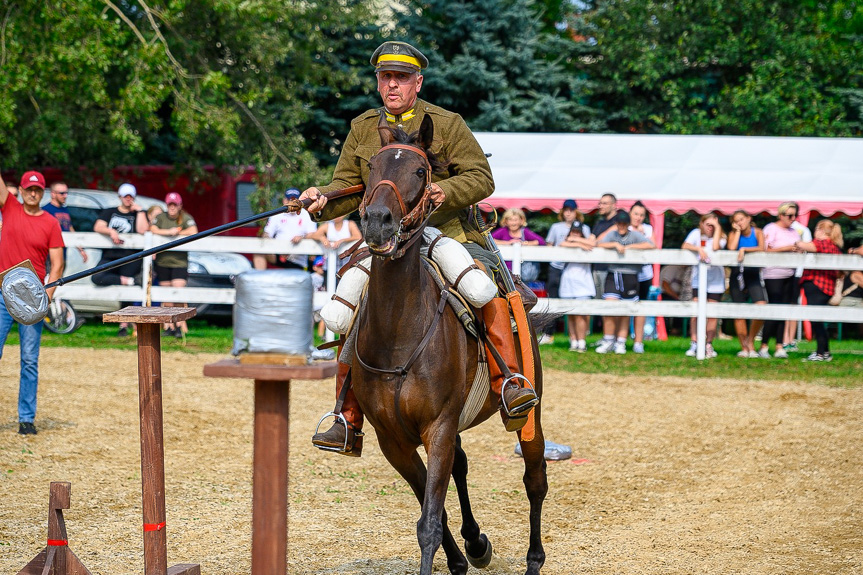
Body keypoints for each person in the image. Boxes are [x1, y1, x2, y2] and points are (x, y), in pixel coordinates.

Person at [301, 40, 538, 456]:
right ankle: (346, 416)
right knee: (349, 301)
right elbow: (347, 187)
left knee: (486, 287)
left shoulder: (447, 123)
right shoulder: (361, 128)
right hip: (387, 239)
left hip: (450, 232)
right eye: (385, 77)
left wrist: (446, 189)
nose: (392, 85)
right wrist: (321, 198)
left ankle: (509, 384)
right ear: (377, 82)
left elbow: (482, 178)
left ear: (417, 82)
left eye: (401, 77)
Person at [0, 171, 65, 435]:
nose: (33, 194)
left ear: (43, 192)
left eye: (37, 190)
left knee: (29, 359)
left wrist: (44, 299)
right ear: (22, 191)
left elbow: (58, 265)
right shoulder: (10, 208)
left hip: (32, 299)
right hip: (3, 295)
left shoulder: (51, 223)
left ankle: (26, 418)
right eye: (29, 189)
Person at [92, 183, 149, 337]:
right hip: (110, 255)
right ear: (120, 197)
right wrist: (110, 231)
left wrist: (141, 211)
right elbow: (97, 226)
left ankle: (123, 325)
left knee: (127, 294)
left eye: (131, 196)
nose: (128, 199)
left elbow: (143, 230)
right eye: (126, 196)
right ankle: (127, 280)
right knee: (97, 277)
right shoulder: (110, 212)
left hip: (130, 256)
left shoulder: (138, 214)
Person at [595, 211, 654, 354]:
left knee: (625, 310)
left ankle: (620, 342)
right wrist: (614, 245)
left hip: (630, 275)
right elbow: (599, 243)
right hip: (613, 273)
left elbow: (651, 245)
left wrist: (629, 248)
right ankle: (609, 339)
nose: (621, 226)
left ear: (628, 225)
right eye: (619, 223)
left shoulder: (634, 235)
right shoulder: (612, 235)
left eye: (624, 224)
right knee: (610, 306)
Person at [150, 192, 198, 338]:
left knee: (178, 293)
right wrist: (168, 232)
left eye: (174, 204)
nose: (172, 207)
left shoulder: (185, 218)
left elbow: (193, 231)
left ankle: (180, 325)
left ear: (179, 206)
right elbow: (152, 229)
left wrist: (177, 232)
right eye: (170, 204)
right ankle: (168, 325)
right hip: (163, 261)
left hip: (179, 262)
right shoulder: (161, 217)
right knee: (166, 295)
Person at [542, 199, 589, 345]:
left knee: (578, 302)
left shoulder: (584, 228)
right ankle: (549, 333)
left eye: (571, 210)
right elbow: (550, 245)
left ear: (576, 211)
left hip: (575, 267)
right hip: (557, 266)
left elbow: (589, 243)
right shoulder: (556, 227)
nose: (568, 213)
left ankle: (580, 336)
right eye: (566, 210)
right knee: (554, 299)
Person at [795, 220, 843, 362]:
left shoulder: (823, 244)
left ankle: (821, 353)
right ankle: (825, 351)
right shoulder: (835, 247)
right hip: (827, 287)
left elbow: (805, 245)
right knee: (818, 320)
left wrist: (797, 242)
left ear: (821, 230)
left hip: (817, 285)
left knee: (816, 320)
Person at [758, 202, 801, 359]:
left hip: (790, 273)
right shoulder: (770, 228)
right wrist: (787, 248)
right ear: (781, 215)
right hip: (773, 274)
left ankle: (779, 345)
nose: (793, 218)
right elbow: (765, 249)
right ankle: (763, 345)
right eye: (789, 215)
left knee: (784, 310)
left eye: (794, 215)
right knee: (774, 309)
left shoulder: (794, 232)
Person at [682, 213, 727, 358]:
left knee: (712, 315)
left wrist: (717, 228)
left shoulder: (722, 237)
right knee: (695, 313)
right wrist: (698, 249)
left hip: (716, 281)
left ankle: (708, 344)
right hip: (698, 280)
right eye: (708, 225)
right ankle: (694, 343)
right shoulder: (695, 234)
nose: (710, 228)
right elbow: (685, 245)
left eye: (713, 225)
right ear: (701, 224)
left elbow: (715, 247)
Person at [727, 210, 766, 358]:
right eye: (736, 221)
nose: (740, 223)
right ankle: (744, 347)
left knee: (761, 306)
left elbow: (762, 248)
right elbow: (731, 248)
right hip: (737, 274)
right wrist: (737, 232)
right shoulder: (733, 234)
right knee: (739, 312)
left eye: (742, 219)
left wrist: (744, 249)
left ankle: (750, 341)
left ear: (749, 219)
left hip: (753, 274)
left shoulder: (758, 232)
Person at [253, 188, 318, 271]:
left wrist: (302, 238)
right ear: (284, 201)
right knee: (259, 251)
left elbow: (313, 234)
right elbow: (267, 233)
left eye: (295, 200)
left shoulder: (307, 215)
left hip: (298, 260)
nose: (292, 203)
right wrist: (270, 244)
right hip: (279, 255)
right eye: (289, 200)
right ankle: (259, 281)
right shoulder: (276, 214)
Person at [558, 221, 596, 351]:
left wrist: (577, 241)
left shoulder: (588, 243)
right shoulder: (568, 243)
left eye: (578, 232)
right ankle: (573, 341)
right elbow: (562, 243)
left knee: (581, 314)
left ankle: (582, 341)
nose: (575, 233)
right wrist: (577, 242)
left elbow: (592, 244)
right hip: (568, 282)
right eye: (573, 231)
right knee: (571, 314)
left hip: (584, 282)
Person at [491, 207, 546, 282]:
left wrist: (524, 243)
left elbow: (541, 242)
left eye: (515, 220)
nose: (513, 223)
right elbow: (489, 240)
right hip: (504, 272)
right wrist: (508, 243)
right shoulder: (503, 231)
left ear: (521, 221)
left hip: (523, 273)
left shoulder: (525, 232)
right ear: (506, 221)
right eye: (510, 220)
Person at [783, 218, 813, 351]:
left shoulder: (802, 230)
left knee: (792, 305)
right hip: (784, 271)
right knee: (788, 304)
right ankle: (786, 339)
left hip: (797, 272)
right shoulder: (781, 229)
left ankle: (789, 339)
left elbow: (807, 250)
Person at [628, 201, 654, 354]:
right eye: (636, 214)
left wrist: (632, 245)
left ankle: (638, 341)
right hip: (628, 273)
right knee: (625, 306)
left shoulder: (648, 229)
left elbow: (653, 245)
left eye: (641, 215)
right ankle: (620, 340)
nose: (638, 217)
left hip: (644, 274)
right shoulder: (625, 227)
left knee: (640, 307)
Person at [42, 182, 88, 263]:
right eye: (62, 193)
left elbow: (70, 229)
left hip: (63, 253)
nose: (65, 196)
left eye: (66, 193)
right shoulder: (45, 210)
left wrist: (80, 249)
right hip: (49, 255)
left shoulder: (65, 210)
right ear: (53, 194)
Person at [591, 193, 620, 299]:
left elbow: (596, 241)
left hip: (612, 270)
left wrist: (595, 243)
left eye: (604, 203)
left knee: (609, 306)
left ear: (614, 205)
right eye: (600, 203)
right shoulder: (599, 223)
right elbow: (591, 241)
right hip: (597, 268)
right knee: (597, 304)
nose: (600, 206)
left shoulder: (620, 221)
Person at [659, 264, 690, 335]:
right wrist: (677, 297)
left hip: (677, 295)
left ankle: (681, 329)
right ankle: (674, 330)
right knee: (679, 304)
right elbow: (665, 285)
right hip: (664, 294)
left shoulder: (685, 270)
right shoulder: (672, 268)